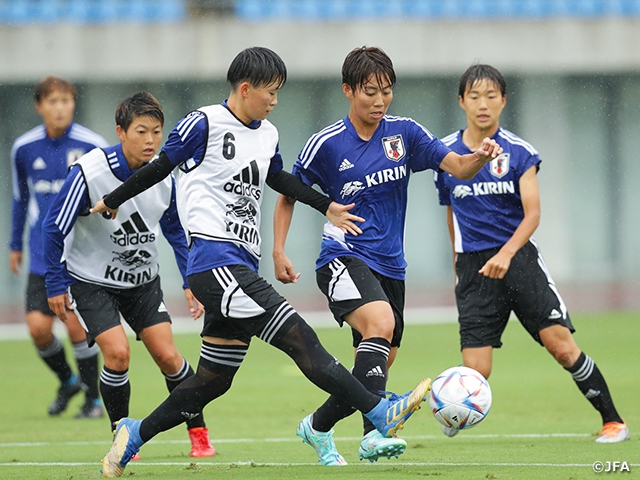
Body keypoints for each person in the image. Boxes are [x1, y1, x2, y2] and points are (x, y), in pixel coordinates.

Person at [91, 47, 432, 478]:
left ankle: (132, 434)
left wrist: (325, 205)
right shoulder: (204, 123)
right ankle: (380, 412)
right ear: (246, 88)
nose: (274, 101)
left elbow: (279, 180)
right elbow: (160, 168)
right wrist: (112, 200)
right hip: (215, 263)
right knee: (300, 337)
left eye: (279, 93)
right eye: (270, 92)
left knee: (214, 379)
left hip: (240, 266)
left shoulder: (267, 133)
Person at [272, 46, 504, 465]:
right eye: (369, 92)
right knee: (381, 322)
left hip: (391, 266)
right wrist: (278, 250)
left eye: (386, 91)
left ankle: (323, 428)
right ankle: (380, 428)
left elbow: (457, 166)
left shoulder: (405, 133)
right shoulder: (326, 143)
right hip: (342, 257)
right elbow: (289, 192)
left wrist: (479, 158)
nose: (379, 101)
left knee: (377, 366)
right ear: (348, 90)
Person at [434, 64, 630, 443]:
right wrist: (457, 264)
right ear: (461, 101)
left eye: (491, 96)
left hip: (518, 260)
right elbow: (450, 213)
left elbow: (534, 213)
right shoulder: (446, 156)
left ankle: (613, 421)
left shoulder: (520, 152)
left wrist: (506, 254)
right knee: (476, 370)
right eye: (474, 96)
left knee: (560, 345)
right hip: (473, 267)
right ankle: (455, 412)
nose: (483, 104)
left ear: (504, 101)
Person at [42, 92, 216, 458]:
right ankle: (123, 436)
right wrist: (55, 282)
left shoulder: (166, 175)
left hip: (141, 282)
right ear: (120, 132)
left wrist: (190, 281)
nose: (151, 140)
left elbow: (175, 232)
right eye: (141, 131)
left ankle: (199, 434)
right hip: (90, 281)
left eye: (156, 131)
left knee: (169, 357)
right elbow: (54, 227)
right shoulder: (89, 172)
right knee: (118, 354)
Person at [9, 76, 106, 418]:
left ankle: (93, 400)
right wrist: (14, 243)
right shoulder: (23, 148)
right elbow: (21, 200)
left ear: (73, 104)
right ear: (40, 106)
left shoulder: (93, 145)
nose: (60, 107)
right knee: (38, 329)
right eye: (52, 101)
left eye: (65, 100)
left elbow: (107, 197)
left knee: (77, 327)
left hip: (78, 255)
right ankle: (68, 381)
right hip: (40, 254)